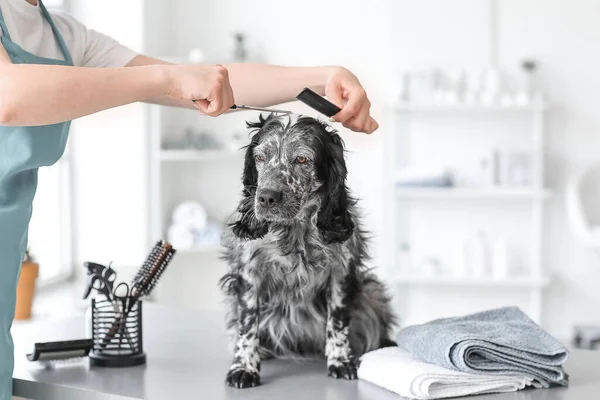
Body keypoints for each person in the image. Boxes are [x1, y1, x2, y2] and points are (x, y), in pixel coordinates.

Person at [0, 1, 378, 398]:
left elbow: (214, 83)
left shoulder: (63, 36)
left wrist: (324, 77)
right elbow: (8, 95)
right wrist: (166, 78)